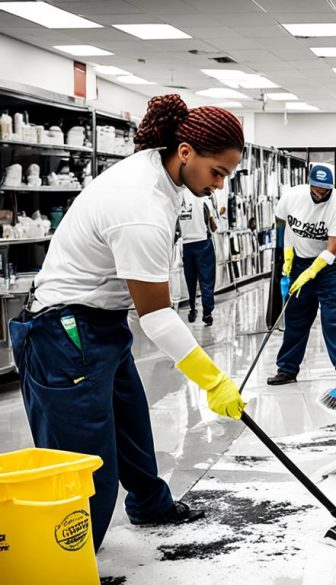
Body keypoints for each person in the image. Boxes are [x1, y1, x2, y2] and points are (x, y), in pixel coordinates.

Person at [8, 94, 248, 550]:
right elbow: (156, 315)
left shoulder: (157, 176)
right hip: (62, 333)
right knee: (84, 464)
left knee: (133, 428)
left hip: (100, 324)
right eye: (217, 172)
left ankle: (150, 505)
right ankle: (69, 560)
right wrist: (211, 379)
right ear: (185, 153)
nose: (219, 185)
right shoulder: (141, 204)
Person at [265, 162, 336, 396]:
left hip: (329, 265)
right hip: (298, 260)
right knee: (296, 314)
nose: (320, 193)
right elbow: (281, 221)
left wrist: (313, 271)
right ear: (310, 183)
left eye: (325, 189)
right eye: (316, 188)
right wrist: (285, 252)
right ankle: (287, 368)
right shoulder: (292, 197)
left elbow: (333, 249)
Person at [179, 187, 218, 325]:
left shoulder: (178, 196)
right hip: (203, 244)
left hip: (186, 245)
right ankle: (207, 313)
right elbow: (213, 226)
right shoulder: (203, 197)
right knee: (206, 280)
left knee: (191, 279)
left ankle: (192, 308)